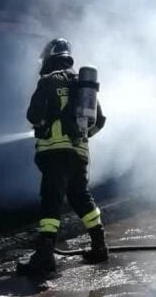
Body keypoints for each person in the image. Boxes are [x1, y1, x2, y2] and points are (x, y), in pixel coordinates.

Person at [17, 38, 107, 278]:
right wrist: (81, 136)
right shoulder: (82, 83)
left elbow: (33, 114)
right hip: (78, 153)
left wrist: (44, 126)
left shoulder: (47, 81)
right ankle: (100, 246)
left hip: (54, 153)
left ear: (50, 57)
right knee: (80, 196)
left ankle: (45, 256)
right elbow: (98, 121)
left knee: (51, 200)